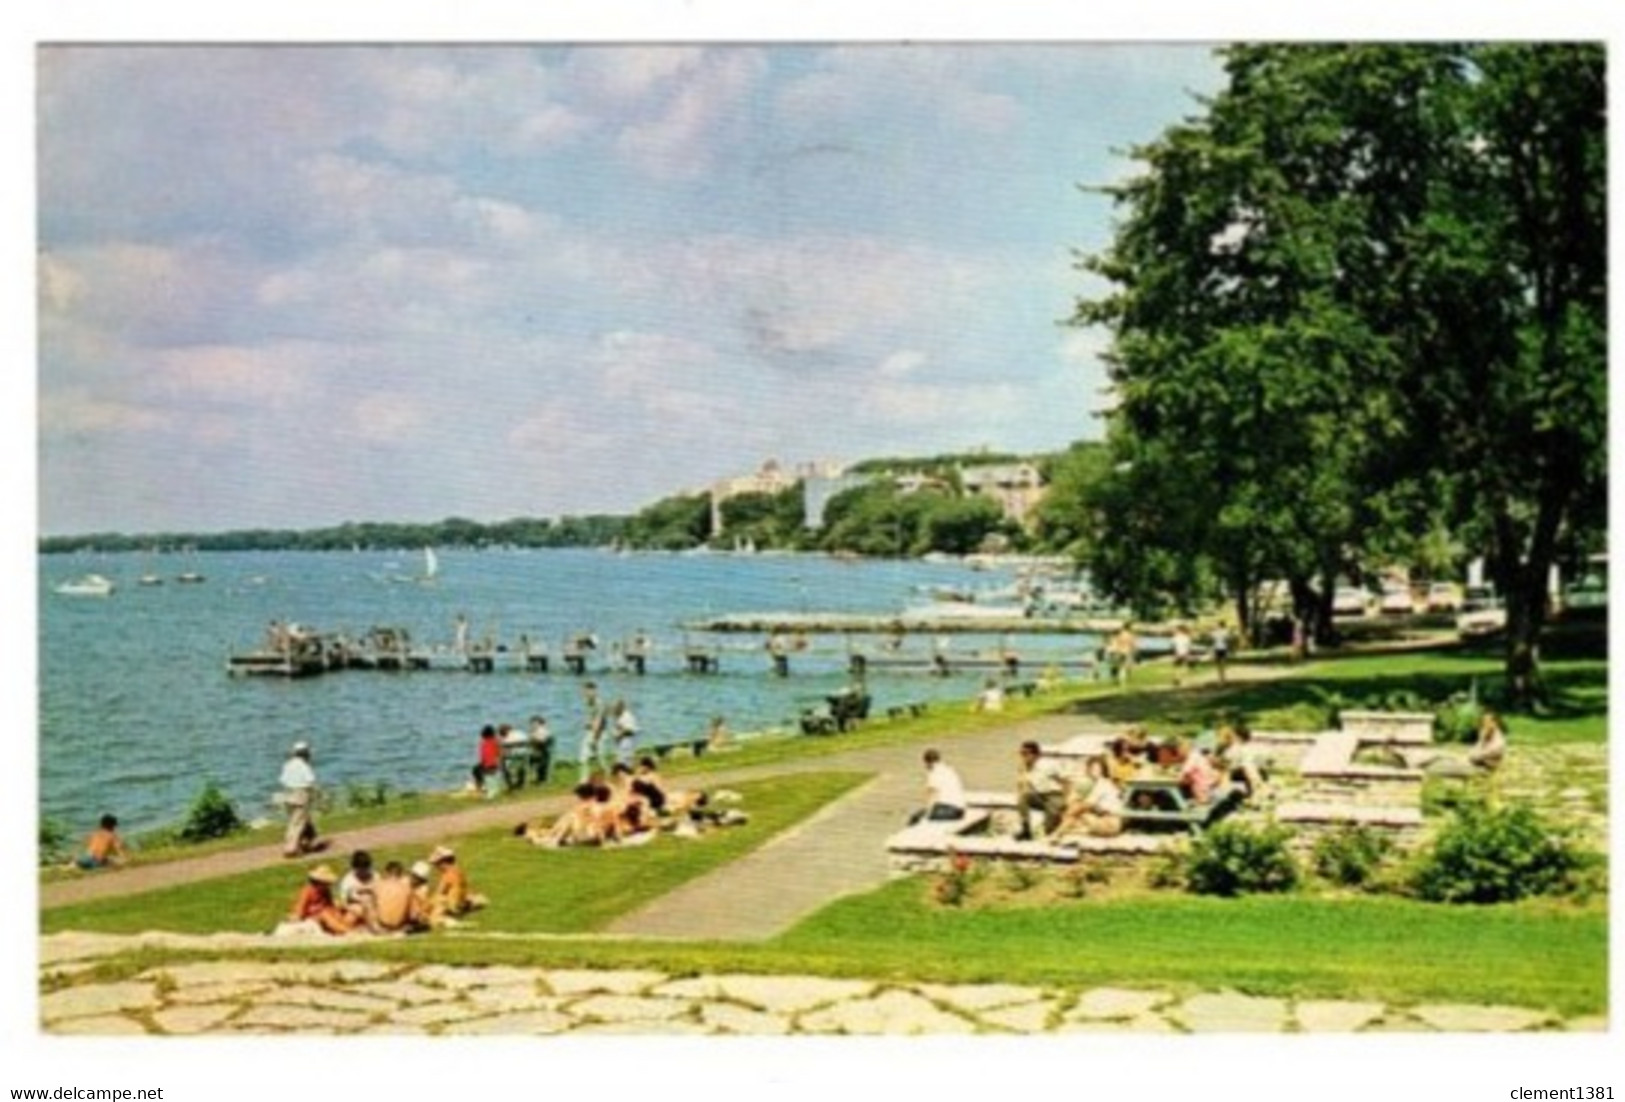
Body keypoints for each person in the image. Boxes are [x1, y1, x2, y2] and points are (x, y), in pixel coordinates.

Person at [1055, 758, 1125, 839]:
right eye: (1093, 769)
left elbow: (1085, 805)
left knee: (1076, 814)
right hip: (1107, 821)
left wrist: (1069, 812)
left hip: (1110, 823)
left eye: (1098, 769)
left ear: (1103, 770)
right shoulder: (1100, 784)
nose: (1095, 772)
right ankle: (1060, 833)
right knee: (1074, 818)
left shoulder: (1102, 784)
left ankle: (1057, 834)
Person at [1015, 740, 1069, 840]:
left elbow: (1065, 781)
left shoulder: (1048, 765)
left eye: (1026, 753)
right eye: (1022, 754)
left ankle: (1050, 832)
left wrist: (1068, 798)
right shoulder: (1025, 768)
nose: (1023, 757)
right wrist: (1022, 771)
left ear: (1035, 755)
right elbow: (1022, 787)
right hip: (1039, 796)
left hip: (1054, 795)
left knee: (1048, 829)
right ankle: (1026, 828)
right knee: (1023, 797)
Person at [279, 740, 322, 858]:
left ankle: (309, 840)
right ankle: (291, 848)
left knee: (298, 820)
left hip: (288, 794)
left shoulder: (287, 764)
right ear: (305, 754)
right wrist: (317, 794)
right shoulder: (304, 766)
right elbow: (310, 781)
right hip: (301, 794)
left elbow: (282, 780)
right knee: (297, 823)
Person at [288, 864, 358, 935]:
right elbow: (299, 908)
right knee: (325, 914)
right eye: (326, 883)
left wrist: (338, 910)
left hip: (326, 913)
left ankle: (346, 927)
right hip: (313, 917)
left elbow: (330, 905)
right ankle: (347, 931)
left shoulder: (325, 891)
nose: (328, 885)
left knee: (338, 912)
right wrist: (295, 917)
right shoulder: (307, 891)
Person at [908, 749, 967, 825]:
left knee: (917, 817)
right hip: (960, 810)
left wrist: (927, 814)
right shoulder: (948, 769)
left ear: (927, 762)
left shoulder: (934, 773)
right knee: (921, 815)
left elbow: (932, 796)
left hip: (950, 810)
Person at [372, 860, 425, 934]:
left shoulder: (378, 885)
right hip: (399, 926)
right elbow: (414, 915)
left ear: (386, 872)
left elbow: (374, 906)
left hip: (382, 925)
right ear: (400, 874)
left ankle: (374, 927)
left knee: (366, 903)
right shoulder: (408, 888)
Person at [336, 850, 382, 932]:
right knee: (351, 917)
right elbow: (343, 902)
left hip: (375, 907)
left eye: (366, 869)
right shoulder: (348, 881)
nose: (363, 872)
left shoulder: (375, 876)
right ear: (355, 868)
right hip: (356, 909)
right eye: (361, 870)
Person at [580, 682, 607, 772]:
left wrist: (594, 739)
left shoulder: (598, 703)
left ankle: (585, 780)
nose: (584, 694)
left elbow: (598, 722)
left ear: (593, 691)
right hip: (592, 732)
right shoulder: (590, 703)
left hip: (597, 733)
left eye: (586, 691)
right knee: (595, 758)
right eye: (584, 691)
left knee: (587, 758)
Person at [471, 724, 503, 796]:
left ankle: (480, 786)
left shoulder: (483, 743)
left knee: (475, 770)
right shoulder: (496, 741)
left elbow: (483, 757)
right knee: (477, 769)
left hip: (488, 765)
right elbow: (499, 753)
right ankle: (483, 786)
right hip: (495, 764)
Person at [500, 723, 529, 788]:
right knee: (521, 765)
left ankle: (510, 784)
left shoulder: (506, 739)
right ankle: (521, 783)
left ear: (505, 732)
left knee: (503, 763)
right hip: (524, 756)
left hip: (514, 757)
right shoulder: (521, 733)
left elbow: (505, 752)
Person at [611, 700, 640, 767]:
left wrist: (619, 734)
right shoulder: (620, 716)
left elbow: (630, 729)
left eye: (615, 708)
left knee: (625, 763)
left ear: (620, 707)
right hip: (621, 744)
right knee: (620, 762)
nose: (614, 711)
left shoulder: (627, 716)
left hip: (626, 743)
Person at [527, 714, 553, 784]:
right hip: (542, 752)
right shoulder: (537, 731)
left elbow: (540, 742)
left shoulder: (541, 731)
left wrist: (532, 738)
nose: (531, 725)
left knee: (525, 760)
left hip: (541, 753)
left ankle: (531, 778)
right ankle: (537, 777)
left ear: (538, 723)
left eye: (533, 723)